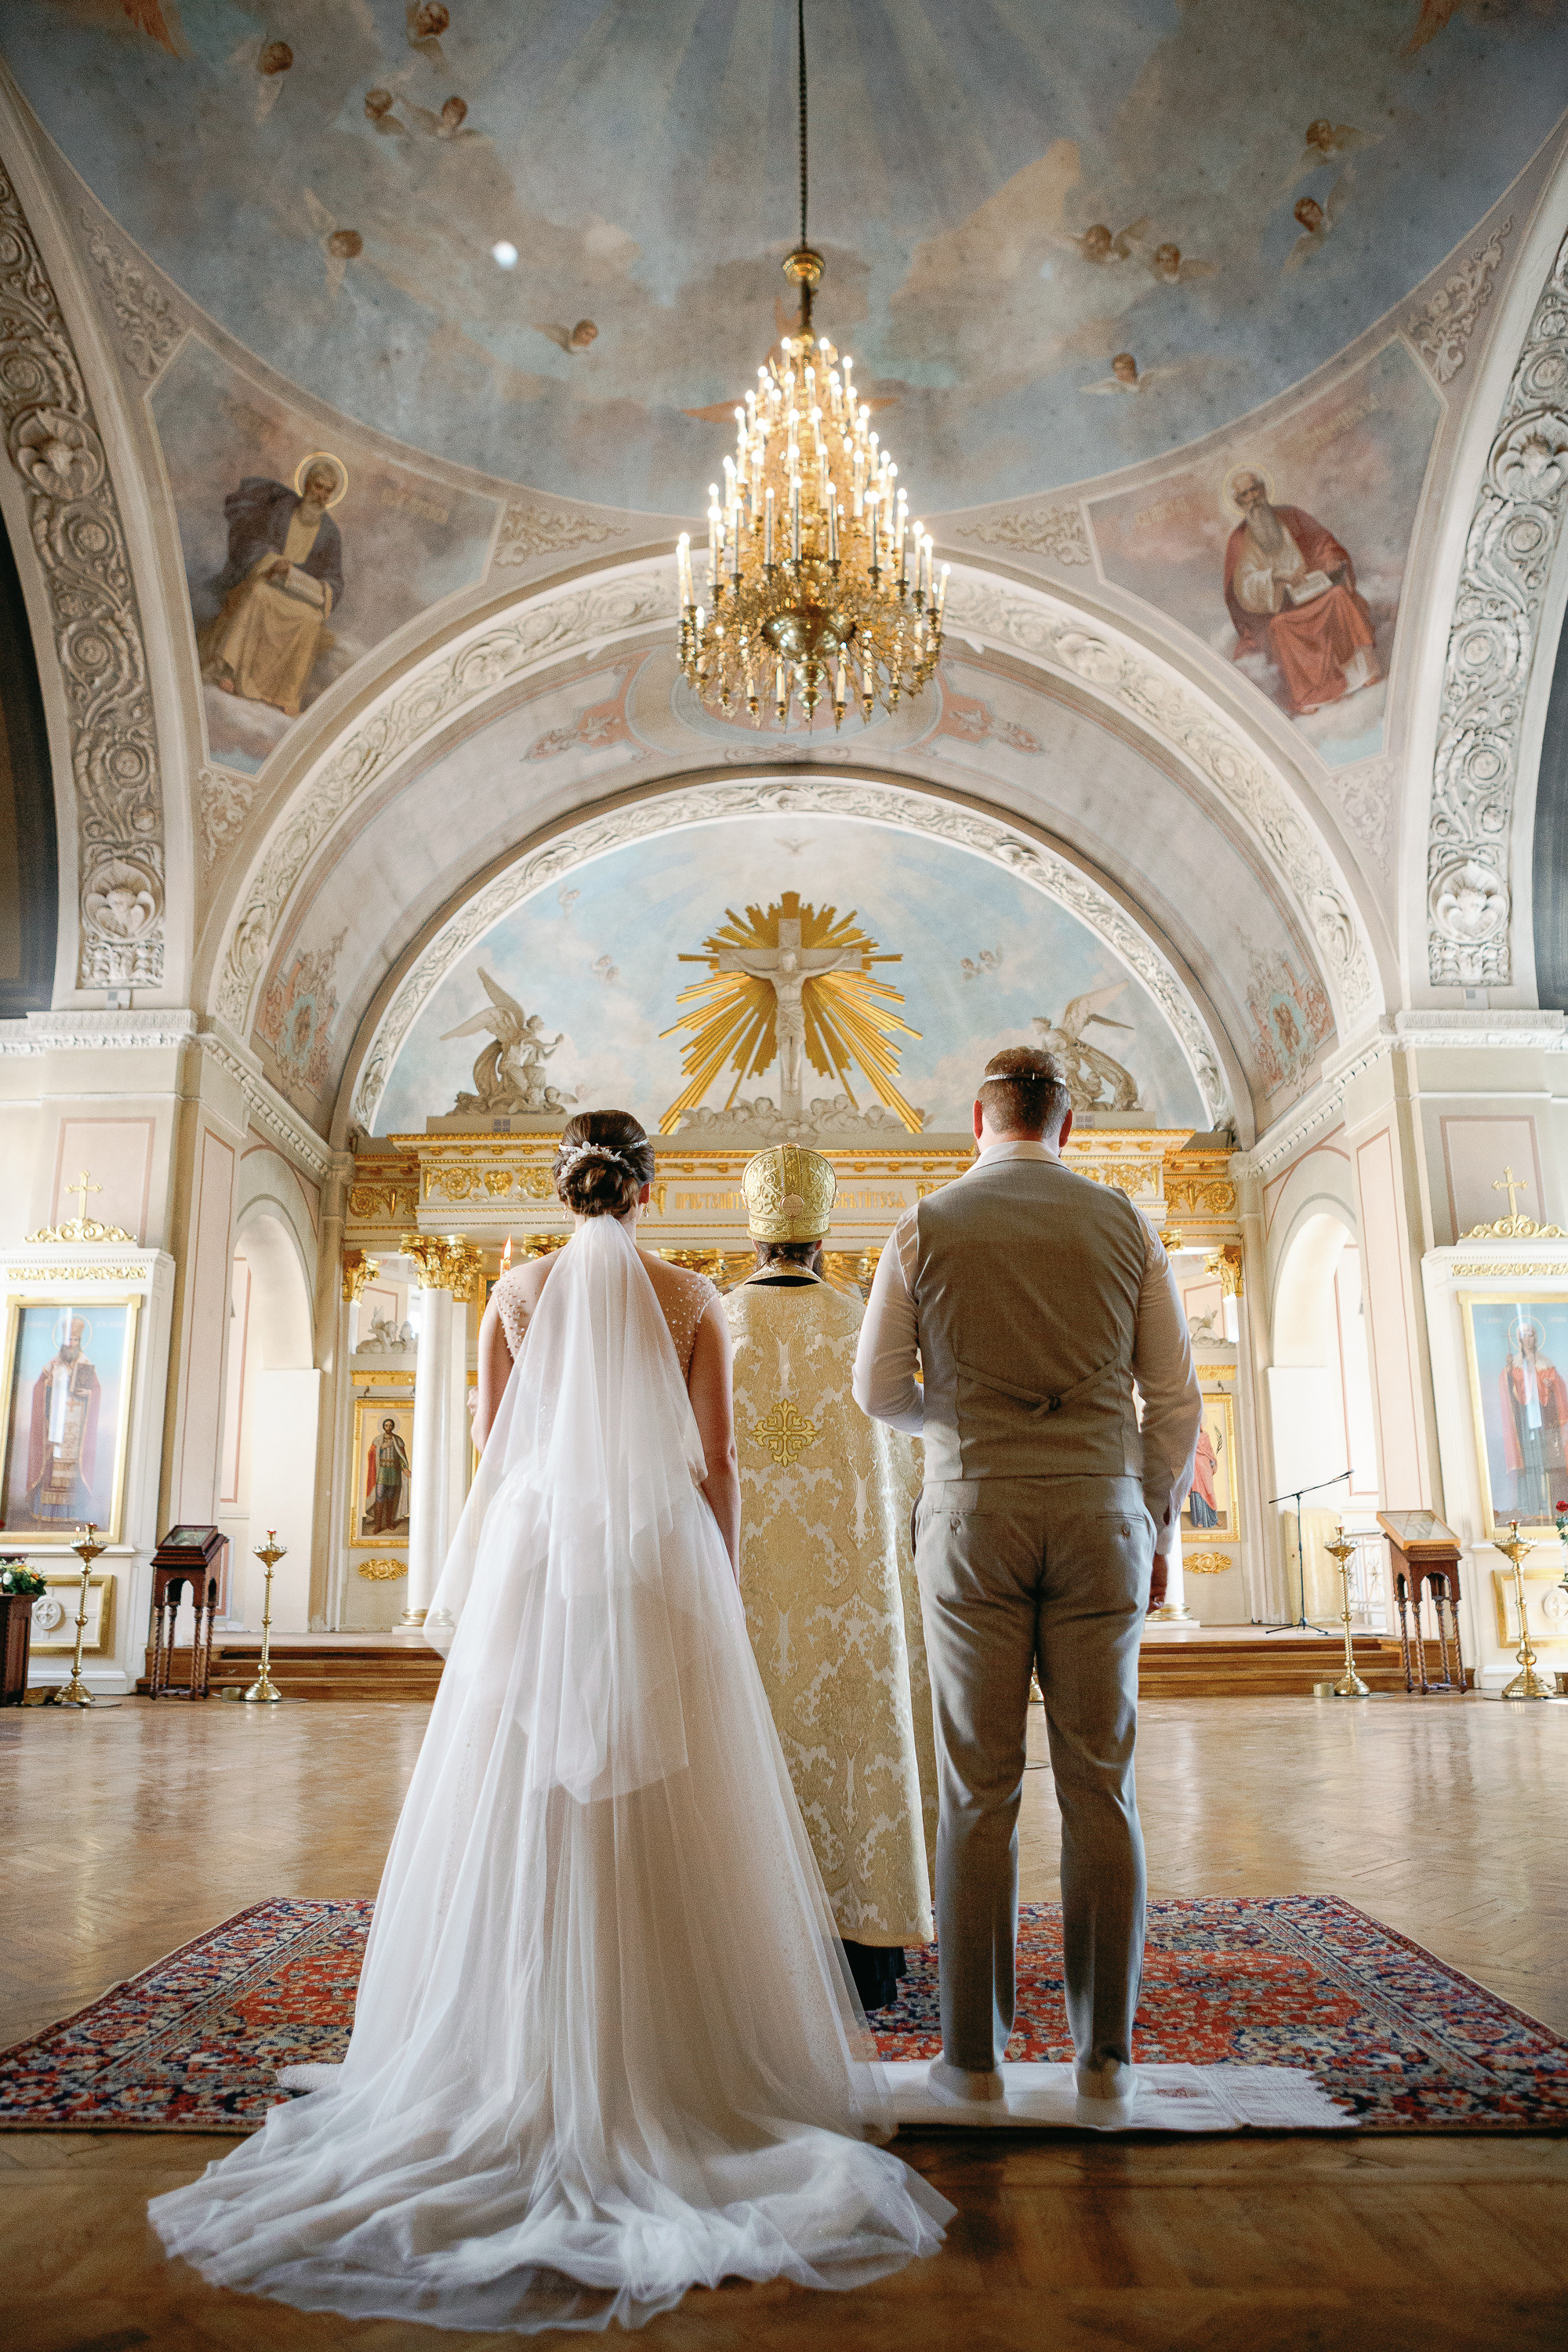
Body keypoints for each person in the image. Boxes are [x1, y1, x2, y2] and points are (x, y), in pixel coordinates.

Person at [150, 1108, 948, 2332]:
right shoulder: (690, 1298)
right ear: (649, 1188)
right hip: (655, 1563)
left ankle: (509, 2041)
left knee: (524, 1783)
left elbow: (490, 1445)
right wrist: (721, 1582)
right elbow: (719, 1460)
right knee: (667, 1788)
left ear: (565, 1182)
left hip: (539, 1562)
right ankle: (675, 2056)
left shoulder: (512, 1294)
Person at [854, 1047, 1200, 2116]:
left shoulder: (925, 1223)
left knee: (978, 1789)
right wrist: (1145, 1514)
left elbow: (877, 1390)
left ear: (977, 1120)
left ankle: (972, 2062)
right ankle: (1105, 2065)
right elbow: (1176, 1402)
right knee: (1103, 1784)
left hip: (971, 1522)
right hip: (1101, 1516)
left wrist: (955, 1420)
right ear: (1069, 1125)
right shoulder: (1126, 1224)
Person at [724, 1144, 935, 2015]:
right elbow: (910, 1462)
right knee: (852, 1756)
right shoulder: (861, 1323)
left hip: (735, 1593)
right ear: (821, 1234)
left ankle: (743, 1951)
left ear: (753, 1230)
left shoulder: (716, 1324)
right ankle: (862, 1957)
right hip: (855, 1597)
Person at [1222, 467, 1380, 717]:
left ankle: (1359, 674)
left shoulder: (1290, 515)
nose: (1253, 497)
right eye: (1245, 494)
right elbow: (1241, 589)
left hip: (1314, 593)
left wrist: (1329, 562)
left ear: (1264, 489)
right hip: (1278, 609)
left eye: (1255, 489)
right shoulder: (1239, 540)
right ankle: (1309, 695)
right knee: (1280, 628)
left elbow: (1323, 543)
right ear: (1239, 502)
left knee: (1339, 597)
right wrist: (1274, 578)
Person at [199, 457, 345, 717]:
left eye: (327, 491)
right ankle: (228, 671)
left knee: (311, 620)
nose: (321, 495)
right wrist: (274, 562)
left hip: (299, 595)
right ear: (306, 485)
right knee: (259, 595)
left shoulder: (330, 532)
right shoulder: (282, 509)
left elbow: (334, 578)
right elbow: (254, 540)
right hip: (267, 579)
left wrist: (315, 586)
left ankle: (285, 695)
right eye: (317, 487)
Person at [25, 1314, 101, 1523]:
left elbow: (95, 1390)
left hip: (76, 1428)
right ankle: (47, 1511)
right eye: (69, 1339)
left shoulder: (85, 1363)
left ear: (80, 1342)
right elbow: (39, 1389)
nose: (72, 1344)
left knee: (72, 1468)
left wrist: (89, 1395)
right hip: (56, 1424)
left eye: (76, 1340)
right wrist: (48, 1386)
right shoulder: (53, 1364)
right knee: (52, 1464)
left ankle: (72, 1512)